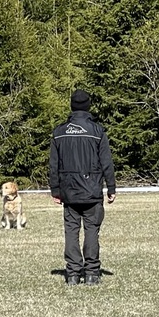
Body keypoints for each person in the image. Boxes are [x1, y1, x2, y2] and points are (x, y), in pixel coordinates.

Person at [48, 90, 116, 286]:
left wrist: (55, 190)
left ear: (72, 106)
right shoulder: (97, 131)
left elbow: (53, 165)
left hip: (69, 191)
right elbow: (106, 162)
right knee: (91, 230)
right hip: (92, 190)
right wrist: (111, 187)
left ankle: (73, 274)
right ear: (88, 106)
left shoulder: (59, 132)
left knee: (71, 231)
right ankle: (92, 273)